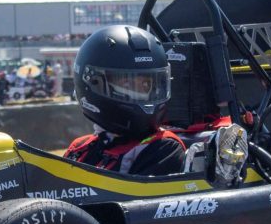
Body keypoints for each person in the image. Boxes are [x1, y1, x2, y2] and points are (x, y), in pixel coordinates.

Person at [63, 25, 185, 176]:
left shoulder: (164, 148)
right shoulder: (80, 148)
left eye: (146, 84)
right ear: (93, 83)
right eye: (127, 84)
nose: (142, 94)